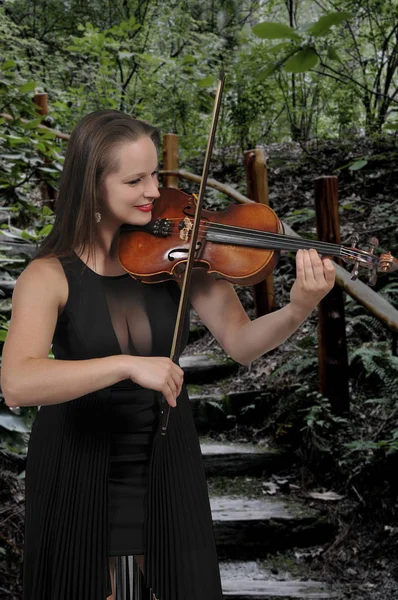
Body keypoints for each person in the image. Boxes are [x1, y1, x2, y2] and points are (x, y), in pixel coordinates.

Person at [1, 110, 335, 600]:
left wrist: (298, 307)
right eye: (135, 179)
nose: (155, 191)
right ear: (92, 185)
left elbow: (241, 345)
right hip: (79, 462)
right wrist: (127, 364)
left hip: (164, 455)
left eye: (155, 174)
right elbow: (17, 383)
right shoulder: (48, 275)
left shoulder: (180, 261)